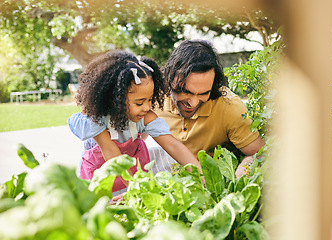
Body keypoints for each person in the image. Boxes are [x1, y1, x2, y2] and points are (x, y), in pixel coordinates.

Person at [67, 50, 202, 196]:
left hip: (133, 176)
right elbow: (111, 153)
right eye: (139, 103)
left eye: (150, 99)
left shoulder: (146, 117)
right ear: (116, 99)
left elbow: (172, 145)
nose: (147, 107)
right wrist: (135, 189)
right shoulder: (96, 120)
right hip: (102, 177)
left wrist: (200, 175)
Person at [154, 39, 265, 179]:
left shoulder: (230, 108)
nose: (193, 103)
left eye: (203, 93)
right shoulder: (153, 99)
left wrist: (234, 184)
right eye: (185, 91)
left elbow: (257, 153)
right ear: (170, 77)